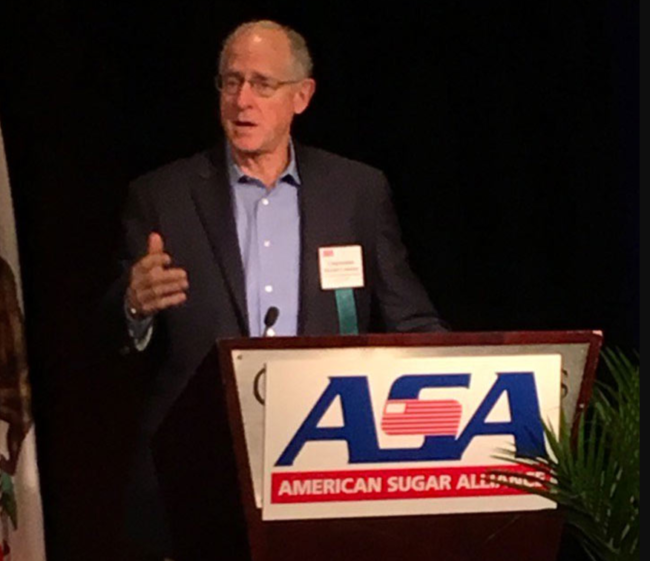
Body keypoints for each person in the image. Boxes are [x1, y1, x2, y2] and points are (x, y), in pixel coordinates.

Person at [105, 19, 447, 561]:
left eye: (262, 84)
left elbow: (408, 314)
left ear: (301, 97)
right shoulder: (162, 195)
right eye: (231, 81)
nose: (242, 100)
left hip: (326, 459)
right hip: (200, 463)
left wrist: (464, 370)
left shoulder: (355, 191)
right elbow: (104, 337)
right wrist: (132, 306)